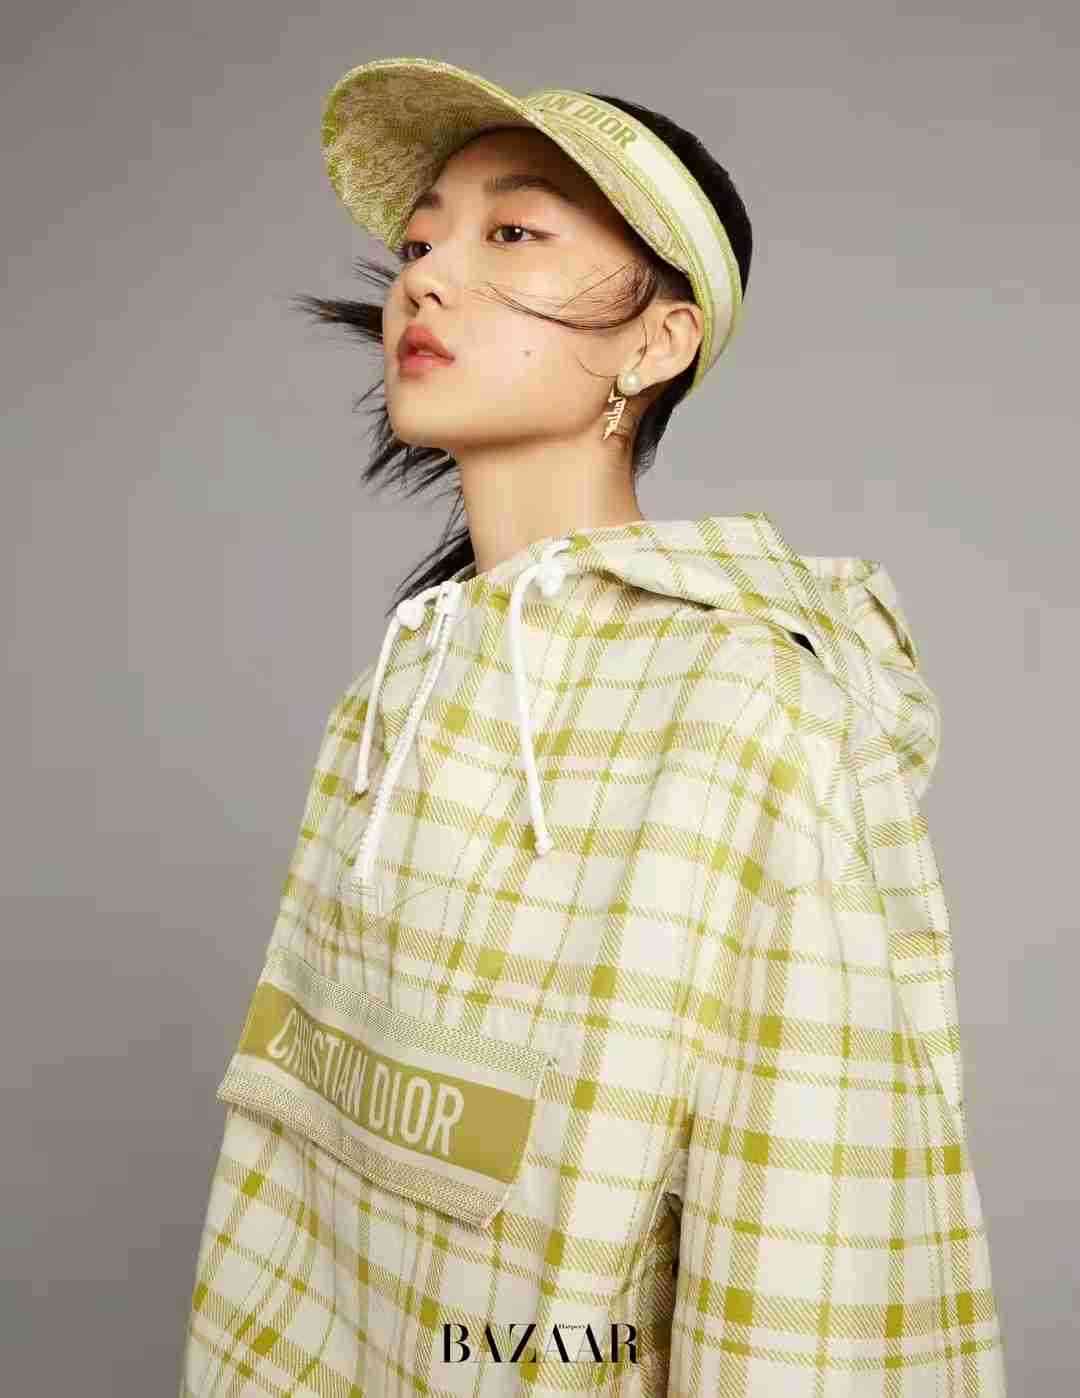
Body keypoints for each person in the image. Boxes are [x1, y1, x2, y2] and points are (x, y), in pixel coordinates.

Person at [178, 56, 1007, 1397]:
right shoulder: (391, 702)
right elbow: (294, 1166)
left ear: (657, 342)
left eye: (514, 233)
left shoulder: (740, 704)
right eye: (420, 244)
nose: (426, 282)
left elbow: (817, 1228)